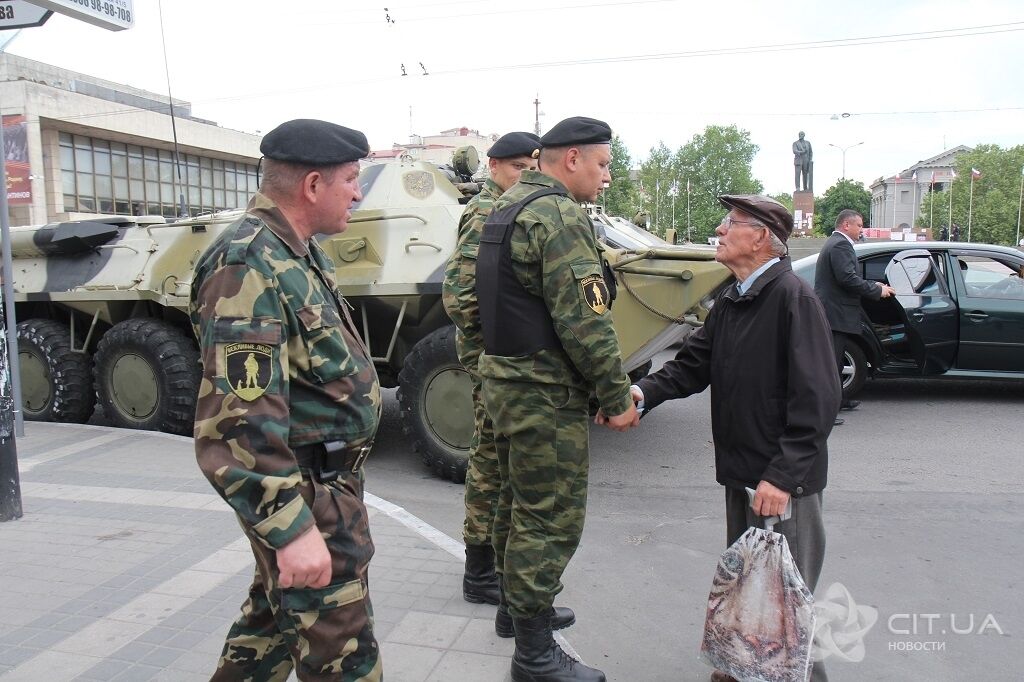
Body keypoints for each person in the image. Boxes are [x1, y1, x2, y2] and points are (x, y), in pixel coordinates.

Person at [190, 119, 382, 681]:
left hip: (324, 491)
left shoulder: (293, 252)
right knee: (345, 661)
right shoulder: (248, 262)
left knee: (267, 638)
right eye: (351, 179)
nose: (358, 192)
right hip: (306, 498)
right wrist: (293, 531)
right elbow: (236, 425)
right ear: (313, 185)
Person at [628, 195, 840, 682]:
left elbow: (818, 400)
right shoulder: (734, 297)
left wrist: (782, 476)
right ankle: (738, 670)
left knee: (789, 597)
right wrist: (639, 393)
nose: (720, 231)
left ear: (762, 238)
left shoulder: (792, 299)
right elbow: (691, 365)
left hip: (782, 483)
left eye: (732, 224)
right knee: (748, 586)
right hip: (743, 474)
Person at [476, 116, 639, 682]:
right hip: (543, 391)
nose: (606, 177)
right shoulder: (558, 214)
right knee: (549, 518)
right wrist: (616, 395)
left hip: (505, 380)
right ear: (571, 159)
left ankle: (518, 611)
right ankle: (535, 654)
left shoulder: (505, 205)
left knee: (516, 505)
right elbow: (585, 322)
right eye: (602, 164)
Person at [441, 131, 544, 606]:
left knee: (501, 463)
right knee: (489, 463)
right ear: (495, 166)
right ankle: (480, 571)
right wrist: (492, 350)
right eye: (520, 167)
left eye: (533, 168)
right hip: (492, 361)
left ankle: (494, 567)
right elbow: (460, 295)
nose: (528, 175)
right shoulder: (487, 211)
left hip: (500, 358)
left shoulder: (511, 208)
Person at [814, 209, 894, 424]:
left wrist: (872, 284)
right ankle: (826, 412)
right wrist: (877, 291)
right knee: (831, 364)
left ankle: (838, 400)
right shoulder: (840, 244)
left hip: (835, 312)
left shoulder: (835, 242)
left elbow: (847, 276)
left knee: (837, 360)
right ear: (846, 225)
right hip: (835, 313)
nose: (862, 229)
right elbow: (847, 278)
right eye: (859, 225)